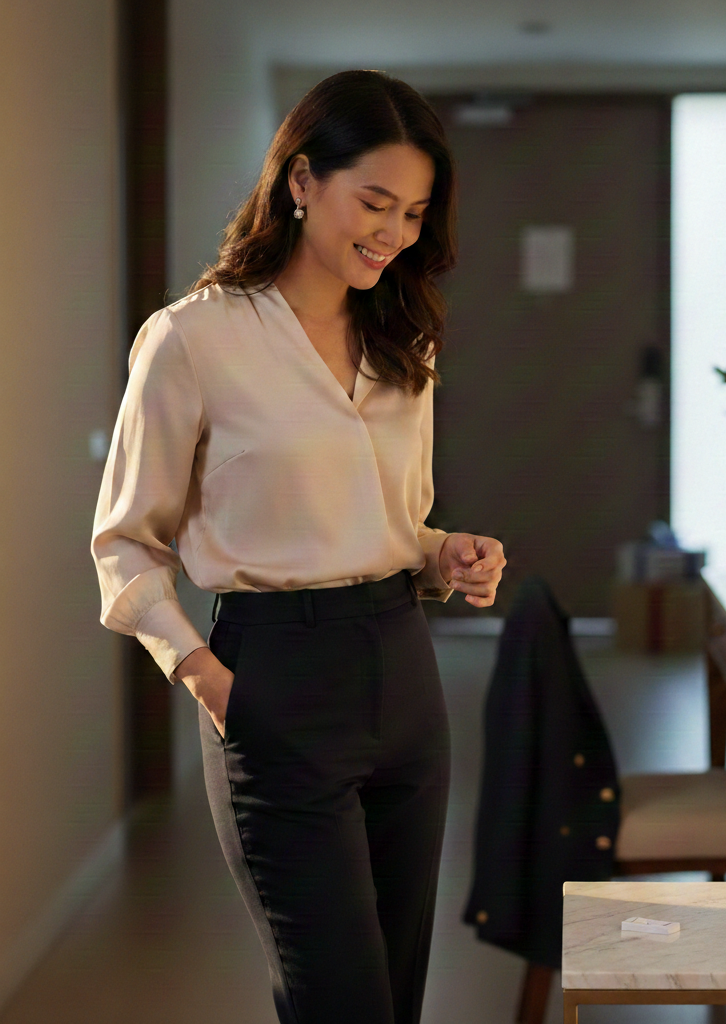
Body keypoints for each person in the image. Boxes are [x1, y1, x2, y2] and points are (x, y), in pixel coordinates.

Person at [91, 69, 504, 1024]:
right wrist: (205, 677)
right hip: (273, 678)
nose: (394, 233)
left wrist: (445, 553)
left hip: (404, 674)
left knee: (396, 998)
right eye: (375, 202)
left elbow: (389, 524)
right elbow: (124, 541)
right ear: (303, 180)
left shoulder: (404, 338)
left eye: (414, 213)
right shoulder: (193, 338)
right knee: (339, 1001)